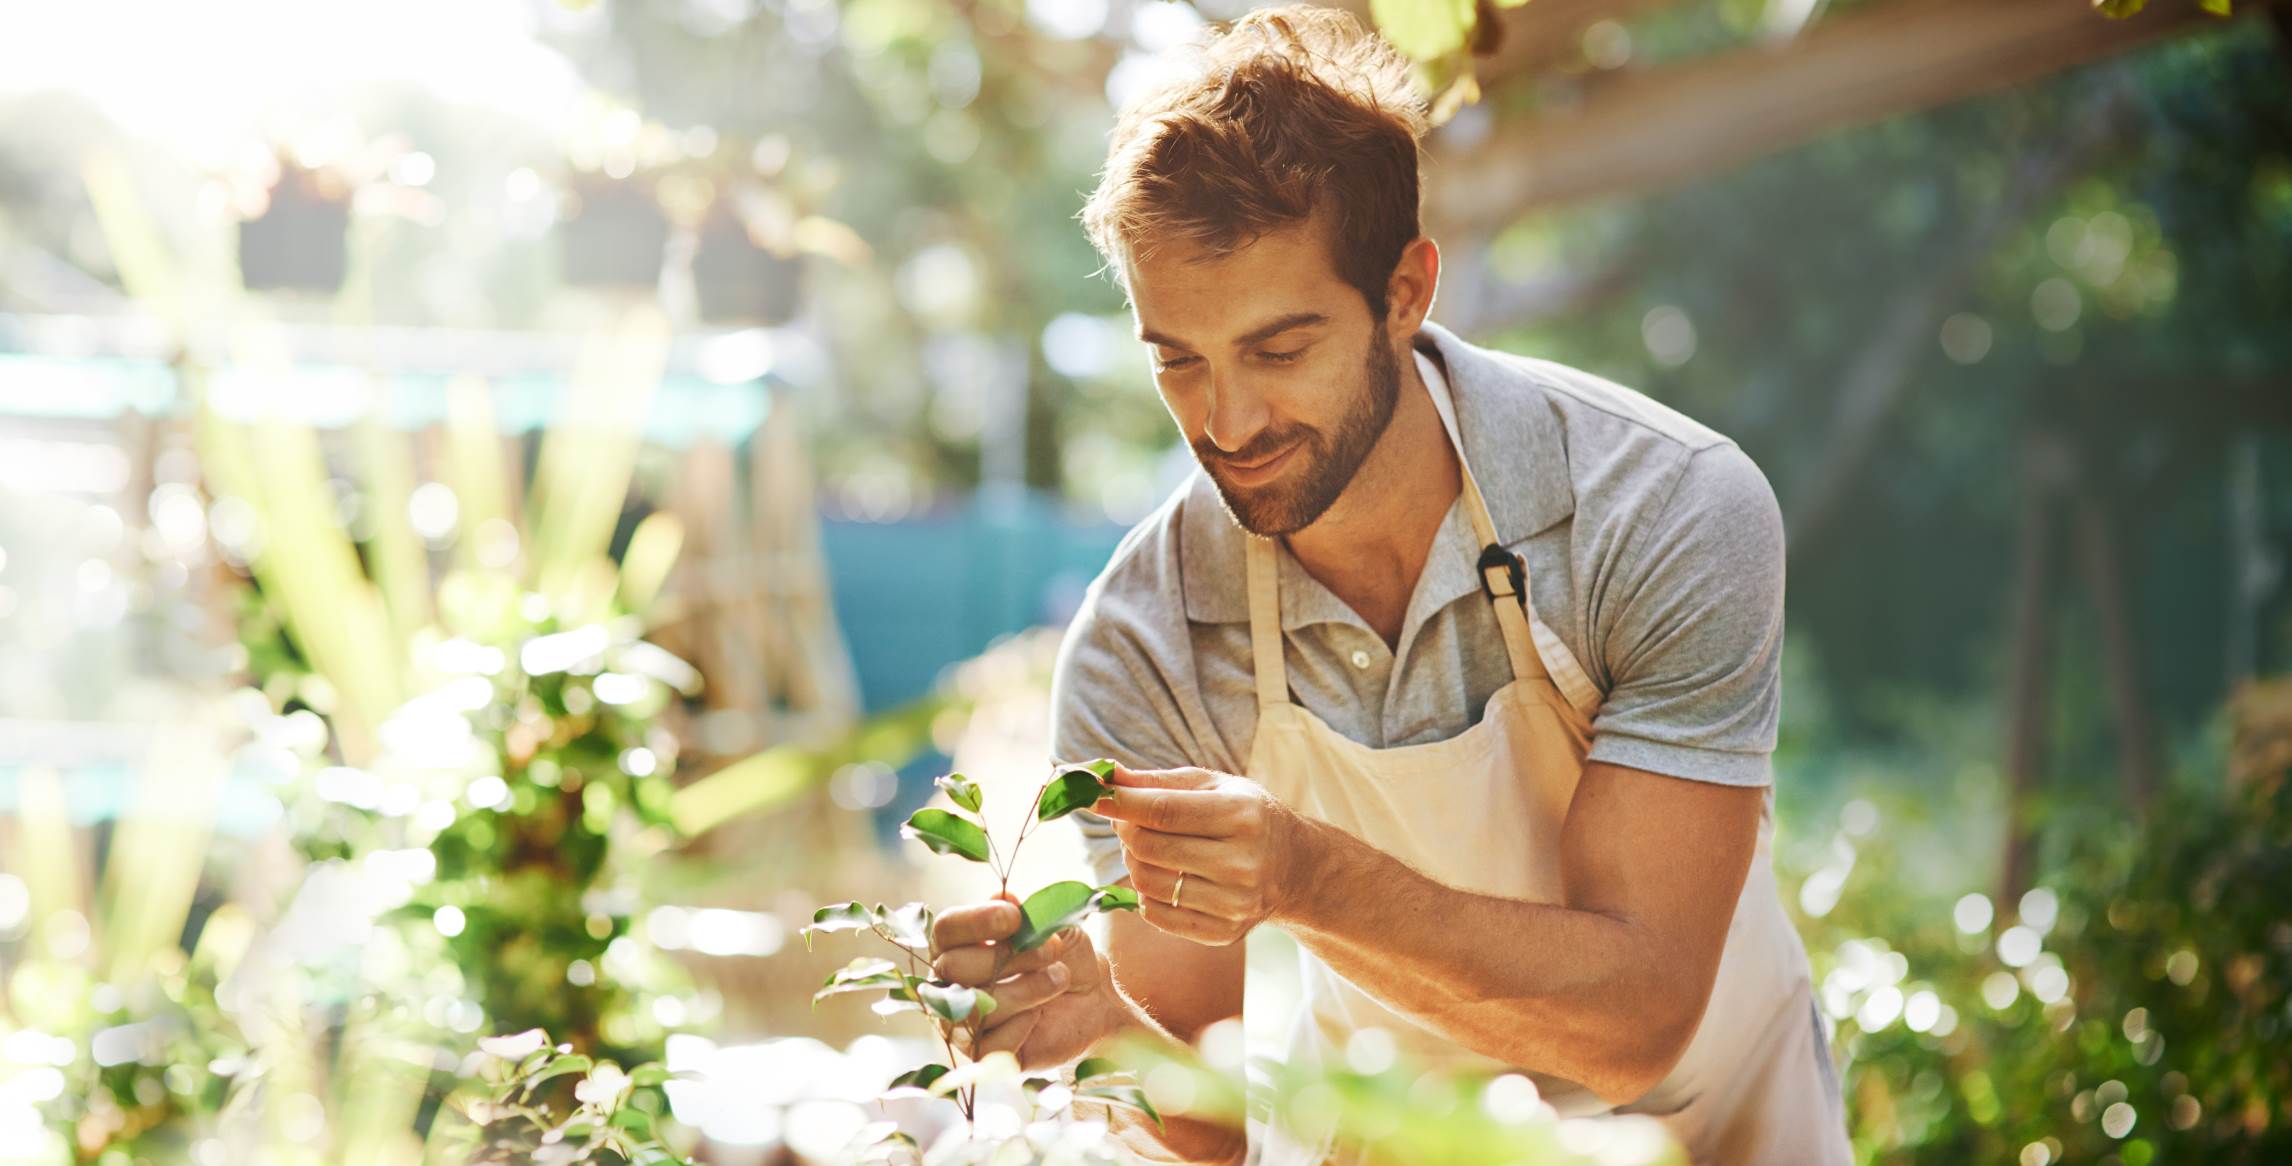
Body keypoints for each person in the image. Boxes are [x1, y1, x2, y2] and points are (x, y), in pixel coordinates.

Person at [925, 7, 1851, 1163]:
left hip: (1715, 1131)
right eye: (1177, 359)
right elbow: (1203, 1116)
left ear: (1406, 291)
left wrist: (1308, 876)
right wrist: (1106, 1030)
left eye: (1278, 349)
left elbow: (1633, 1025)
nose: (1227, 422)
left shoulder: (1660, 508)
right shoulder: (1145, 641)